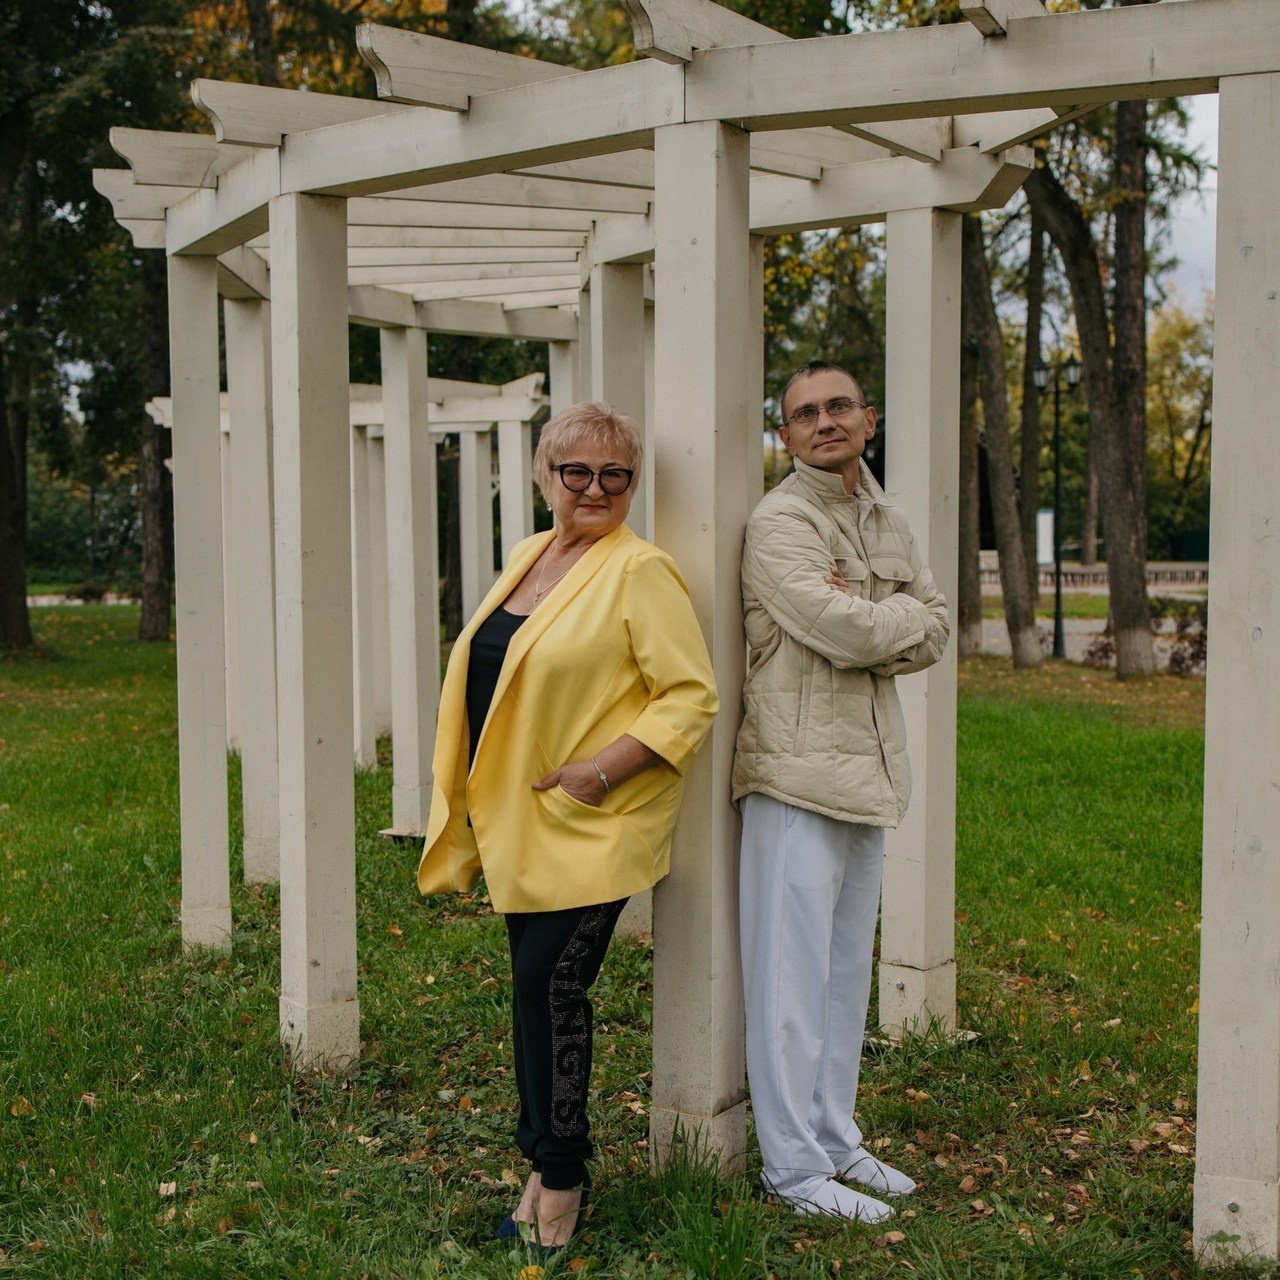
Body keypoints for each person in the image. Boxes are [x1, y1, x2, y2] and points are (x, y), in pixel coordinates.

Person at [418, 401, 719, 1252]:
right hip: (518, 822)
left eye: (613, 475)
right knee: (534, 997)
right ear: (546, 477)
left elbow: (690, 695)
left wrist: (598, 770)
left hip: (595, 824)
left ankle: (561, 1177)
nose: (594, 488)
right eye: (575, 471)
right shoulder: (529, 557)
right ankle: (543, 1162)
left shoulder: (640, 571)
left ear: (631, 484)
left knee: (550, 990)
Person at [732, 361, 949, 1223]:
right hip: (793, 774)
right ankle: (788, 1169)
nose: (824, 421)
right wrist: (889, 619)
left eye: (839, 407)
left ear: (870, 417)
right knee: (788, 983)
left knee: (839, 976)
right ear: (785, 435)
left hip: (867, 773)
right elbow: (851, 630)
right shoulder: (779, 520)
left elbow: (934, 620)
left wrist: (882, 619)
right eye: (804, 413)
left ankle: (832, 1137)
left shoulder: (884, 515)